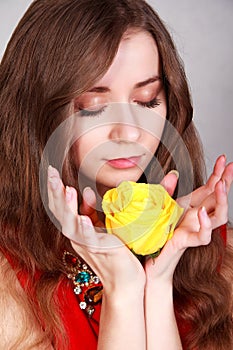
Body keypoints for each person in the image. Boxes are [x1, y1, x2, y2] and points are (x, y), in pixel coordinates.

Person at [0, 0, 232, 349]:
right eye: (94, 107)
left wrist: (158, 279)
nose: (128, 132)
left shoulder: (212, 252)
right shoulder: (9, 280)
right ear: (36, 111)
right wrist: (122, 290)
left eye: (147, 100)